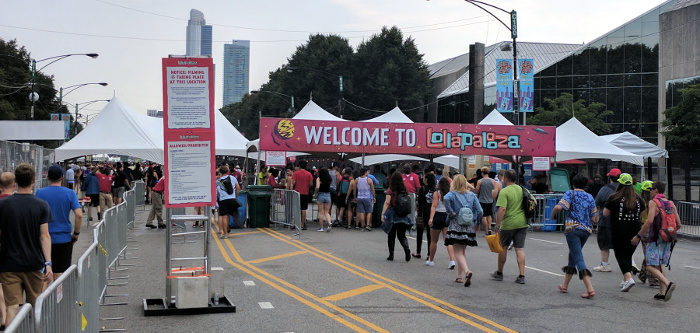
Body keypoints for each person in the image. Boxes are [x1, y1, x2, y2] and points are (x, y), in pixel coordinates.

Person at [0, 164, 53, 324]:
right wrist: (48, 263)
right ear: (33, 180)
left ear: (15, 181)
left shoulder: (3, 205)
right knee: (35, 306)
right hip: (33, 263)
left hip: (9, 264)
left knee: (12, 307)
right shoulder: (41, 205)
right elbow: (44, 236)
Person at [550, 174, 598, 298]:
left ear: (573, 184)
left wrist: (552, 214)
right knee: (573, 255)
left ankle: (590, 288)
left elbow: (559, 207)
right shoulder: (590, 197)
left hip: (573, 229)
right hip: (586, 230)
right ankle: (565, 285)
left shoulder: (570, 193)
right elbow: (594, 217)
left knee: (578, 257)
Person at [632, 181, 679, 301]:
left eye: (652, 189)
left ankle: (668, 284)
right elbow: (678, 223)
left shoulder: (653, 202)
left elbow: (649, 221)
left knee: (650, 266)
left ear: (656, 190)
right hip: (667, 238)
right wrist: (668, 232)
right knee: (660, 264)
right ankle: (661, 292)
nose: (650, 191)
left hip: (654, 238)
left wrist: (638, 236)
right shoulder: (671, 203)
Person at [36, 164, 83, 280]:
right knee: (60, 276)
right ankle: (60, 297)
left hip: (43, 239)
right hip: (63, 239)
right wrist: (76, 233)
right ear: (62, 177)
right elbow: (79, 214)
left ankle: (42, 298)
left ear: (47, 177)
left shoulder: (39, 193)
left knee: (44, 276)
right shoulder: (69, 193)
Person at [603, 173, 645, 292]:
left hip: (619, 229)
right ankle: (625, 280)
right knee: (628, 254)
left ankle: (628, 277)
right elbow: (641, 214)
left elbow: (605, 213)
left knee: (620, 254)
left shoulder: (614, 197)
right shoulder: (638, 198)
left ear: (620, 183)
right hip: (635, 230)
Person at [443, 174, 482, 287]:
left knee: (457, 251)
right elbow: (480, 211)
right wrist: (477, 222)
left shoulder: (452, 194)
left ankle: (467, 271)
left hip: (456, 223)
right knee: (462, 251)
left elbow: (445, 198)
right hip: (469, 224)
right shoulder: (471, 195)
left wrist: (450, 212)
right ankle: (459, 276)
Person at [492, 169, 528, 284]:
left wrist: (497, 225)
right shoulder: (523, 189)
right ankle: (521, 275)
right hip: (522, 222)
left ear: (506, 179)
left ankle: (499, 272)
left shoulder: (504, 191)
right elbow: (534, 202)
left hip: (508, 224)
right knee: (519, 248)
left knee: (503, 247)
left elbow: (502, 209)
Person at [592, 168, 621, 272]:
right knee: (622, 245)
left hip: (606, 221)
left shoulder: (605, 189)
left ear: (610, 178)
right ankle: (630, 264)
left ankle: (605, 264)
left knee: (604, 243)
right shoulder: (626, 189)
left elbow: (596, 202)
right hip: (622, 221)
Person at [381, 171, 412, 262]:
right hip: (403, 214)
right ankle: (406, 248)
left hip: (392, 214)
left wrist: (383, 214)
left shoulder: (390, 190)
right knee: (402, 235)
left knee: (391, 235)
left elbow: (387, 203)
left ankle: (391, 254)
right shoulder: (405, 189)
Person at [427, 177, 456, 269]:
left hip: (438, 216)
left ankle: (431, 260)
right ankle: (452, 260)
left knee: (434, 241)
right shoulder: (450, 194)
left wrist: (431, 218)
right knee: (447, 240)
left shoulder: (437, 193)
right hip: (447, 216)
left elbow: (434, 206)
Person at [637, 180, 659, 286]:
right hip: (650, 230)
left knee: (648, 254)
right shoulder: (653, 203)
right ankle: (652, 279)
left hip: (644, 229)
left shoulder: (641, 201)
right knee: (650, 255)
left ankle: (642, 275)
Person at [413, 172, 435, 259]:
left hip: (423, 212)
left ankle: (418, 252)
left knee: (420, 233)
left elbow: (420, 202)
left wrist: (418, 212)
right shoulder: (435, 189)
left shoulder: (423, 189)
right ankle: (429, 254)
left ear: (426, 179)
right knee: (430, 234)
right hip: (432, 213)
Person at [216, 166, 240, 238]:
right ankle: (227, 228)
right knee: (228, 215)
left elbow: (217, 191)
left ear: (220, 172)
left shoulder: (218, 181)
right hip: (232, 198)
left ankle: (225, 233)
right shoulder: (233, 178)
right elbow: (238, 187)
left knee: (224, 216)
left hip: (223, 199)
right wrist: (236, 196)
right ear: (227, 171)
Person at [349, 167, 375, 232]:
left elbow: (355, 189)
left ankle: (363, 226)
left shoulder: (357, 180)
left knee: (361, 212)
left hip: (359, 197)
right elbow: (372, 189)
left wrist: (355, 197)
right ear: (366, 172)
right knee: (369, 211)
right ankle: (368, 225)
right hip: (367, 197)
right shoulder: (369, 180)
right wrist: (374, 197)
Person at [292, 160, 314, 230]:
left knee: (296, 209)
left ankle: (296, 223)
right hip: (305, 192)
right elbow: (311, 184)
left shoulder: (296, 173)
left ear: (299, 165)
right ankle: (303, 223)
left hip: (297, 193)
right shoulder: (309, 174)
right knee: (304, 209)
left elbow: (293, 182)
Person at [474, 166, 496, 236]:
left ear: (482, 173)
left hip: (482, 200)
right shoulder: (493, 181)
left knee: (484, 216)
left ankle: (486, 230)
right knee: (489, 215)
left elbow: (477, 190)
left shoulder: (480, 181)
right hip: (490, 200)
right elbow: (494, 190)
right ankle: (489, 228)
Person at [315, 167, 333, 232]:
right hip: (328, 195)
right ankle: (329, 222)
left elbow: (317, 187)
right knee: (326, 212)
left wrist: (316, 192)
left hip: (321, 195)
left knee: (321, 212)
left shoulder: (319, 179)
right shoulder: (329, 179)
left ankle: (321, 227)